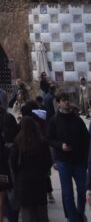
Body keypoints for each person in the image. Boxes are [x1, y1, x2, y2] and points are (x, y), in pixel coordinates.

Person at [46, 90, 89, 222]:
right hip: (63, 160)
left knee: (83, 190)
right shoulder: (54, 120)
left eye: (67, 99)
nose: (67, 102)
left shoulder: (76, 119)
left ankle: (79, 214)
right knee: (67, 193)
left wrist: (86, 159)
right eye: (64, 100)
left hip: (78, 161)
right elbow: (49, 139)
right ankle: (72, 218)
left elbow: (86, 139)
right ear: (58, 103)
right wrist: (60, 146)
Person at [9, 116, 50, 222]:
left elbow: (13, 162)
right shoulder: (42, 142)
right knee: (41, 212)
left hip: (24, 180)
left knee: (28, 213)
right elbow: (48, 161)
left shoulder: (18, 142)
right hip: (39, 180)